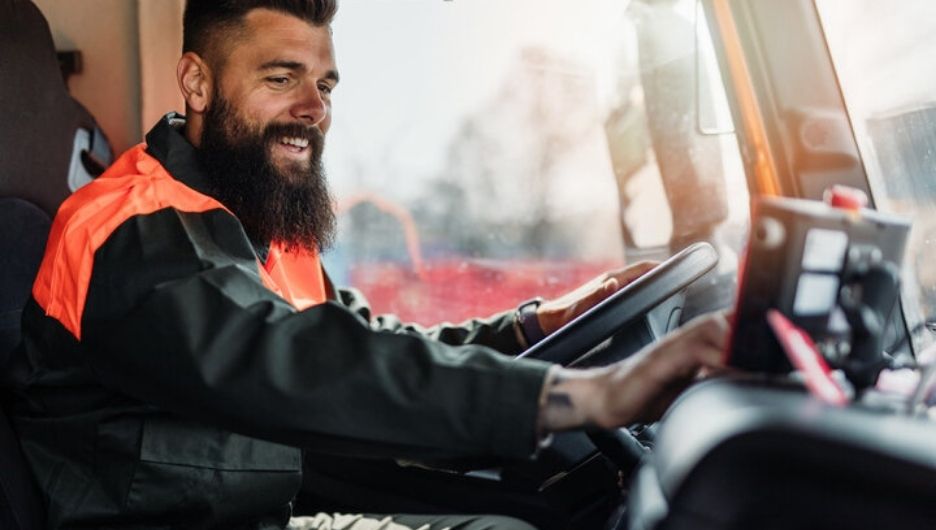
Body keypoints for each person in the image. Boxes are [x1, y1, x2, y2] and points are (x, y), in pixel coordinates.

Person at [2, 1, 729, 529]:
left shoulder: (260, 219)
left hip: (267, 503)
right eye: (281, 78)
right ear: (196, 85)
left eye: (325, 85)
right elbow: (297, 365)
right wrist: (585, 395)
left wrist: (538, 322)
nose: (313, 107)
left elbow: (363, 342)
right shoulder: (125, 233)